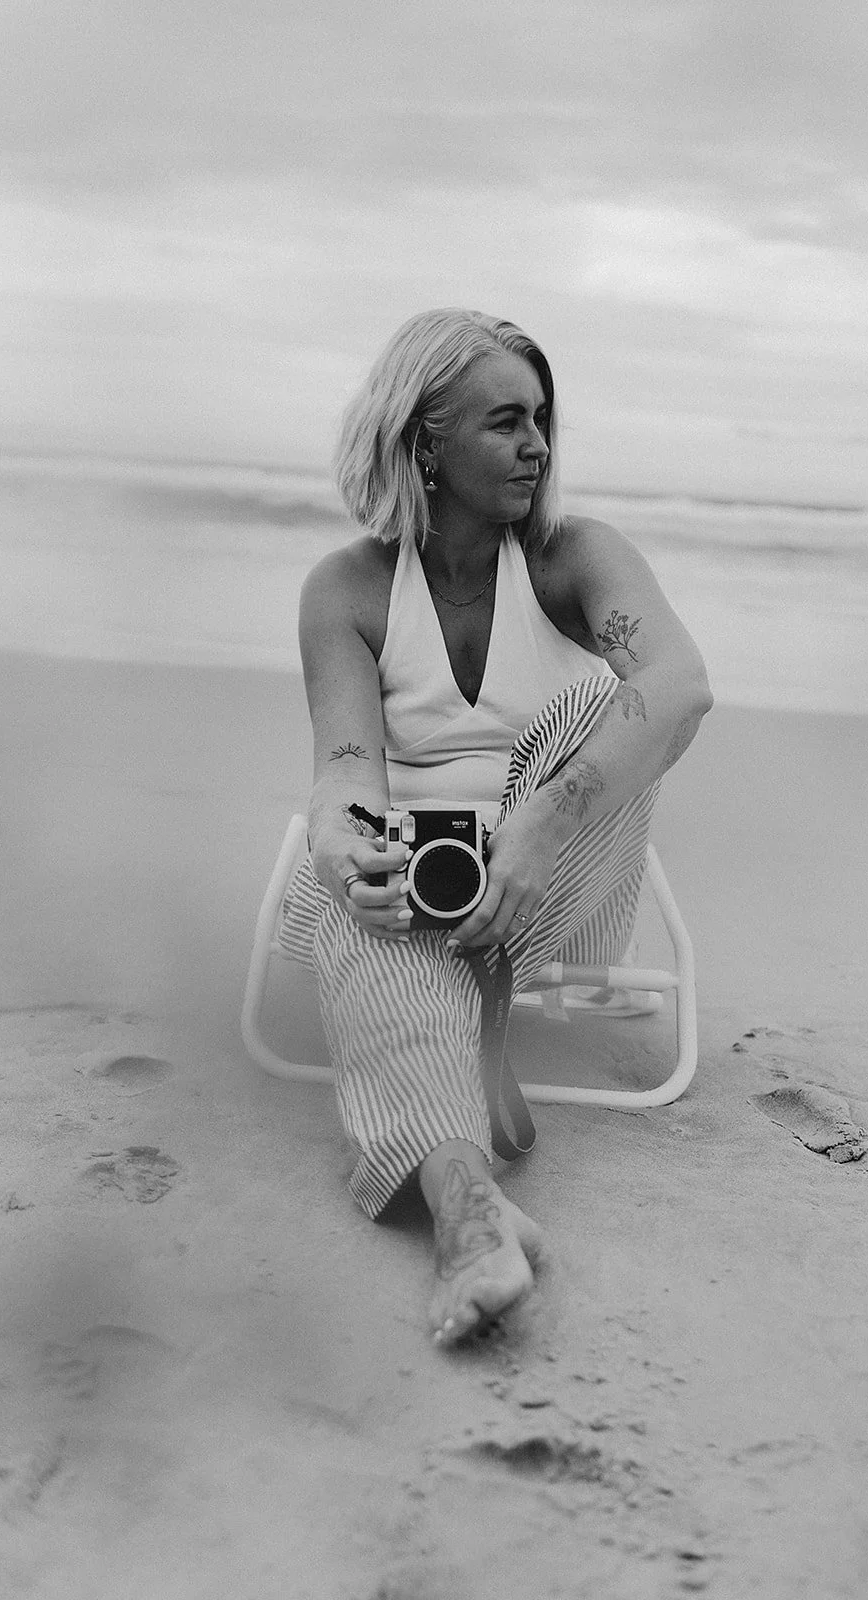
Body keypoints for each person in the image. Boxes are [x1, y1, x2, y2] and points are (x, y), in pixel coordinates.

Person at [278, 308, 712, 1348]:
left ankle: (459, 1169)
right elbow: (343, 774)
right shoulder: (347, 589)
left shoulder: (571, 559)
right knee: (358, 882)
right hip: (417, 892)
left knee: (585, 712)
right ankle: (469, 1212)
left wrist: (537, 830)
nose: (537, 446)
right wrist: (347, 855)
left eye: (541, 420)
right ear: (424, 442)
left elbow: (680, 685)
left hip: (558, 876)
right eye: (505, 423)